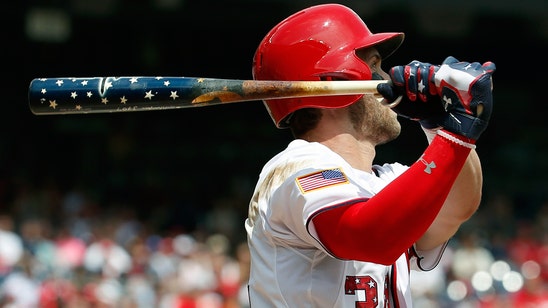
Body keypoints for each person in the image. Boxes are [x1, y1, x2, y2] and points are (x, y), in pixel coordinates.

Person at [244, 3, 496, 307]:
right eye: (374, 65)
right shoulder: (296, 167)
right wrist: (456, 135)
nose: (387, 77)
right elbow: (370, 237)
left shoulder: (387, 179)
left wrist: (438, 126)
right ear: (336, 82)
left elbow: (459, 207)